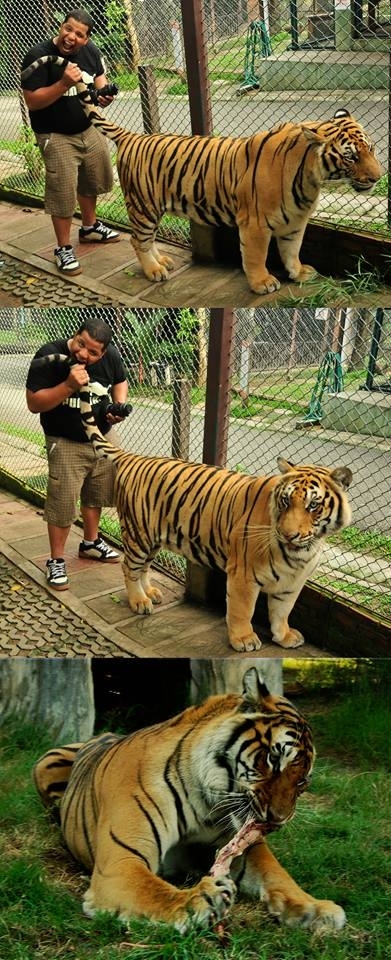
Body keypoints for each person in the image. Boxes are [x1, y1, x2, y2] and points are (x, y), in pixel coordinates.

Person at [26, 317, 129, 591]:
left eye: (93, 352)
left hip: (102, 436)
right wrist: (69, 385)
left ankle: (90, 542)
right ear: (76, 334)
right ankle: (56, 560)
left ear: (103, 353)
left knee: (98, 490)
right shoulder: (50, 354)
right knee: (62, 500)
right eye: (81, 344)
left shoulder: (112, 357)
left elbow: (120, 380)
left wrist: (118, 407)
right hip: (65, 439)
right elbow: (34, 403)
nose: (83, 354)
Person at [21, 8, 121, 277]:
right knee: (63, 190)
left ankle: (89, 228)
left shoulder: (90, 52)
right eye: (68, 29)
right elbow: (32, 100)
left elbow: (100, 82)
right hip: (55, 133)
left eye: (79, 34)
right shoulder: (38, 55)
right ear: (61, 26)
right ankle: (63, 248)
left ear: (86, 39)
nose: (71, 37)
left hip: (88, 127)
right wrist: (64, 83)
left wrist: (103, 96)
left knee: (92, 178)